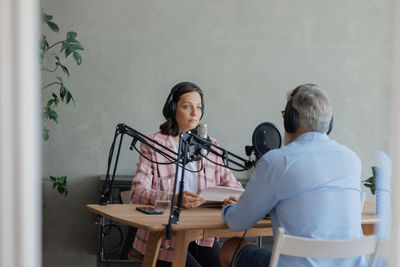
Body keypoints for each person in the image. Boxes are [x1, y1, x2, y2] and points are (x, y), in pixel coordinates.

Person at [220, 84, 365, 267]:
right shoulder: (352, 159)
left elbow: (238, 222)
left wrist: (230, 209)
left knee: (230, 248)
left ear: (291, 119)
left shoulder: (276, 161)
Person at [130, 82, 242, 267]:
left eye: (198, 107)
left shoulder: (210, 145)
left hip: (201, 235)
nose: (194, 113)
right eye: (187, 106)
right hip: (165, 238)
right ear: (173, 109)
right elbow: (137, 191)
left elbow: (233, 185)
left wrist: (236, 198)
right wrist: (172, 198)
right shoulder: (153, 143)